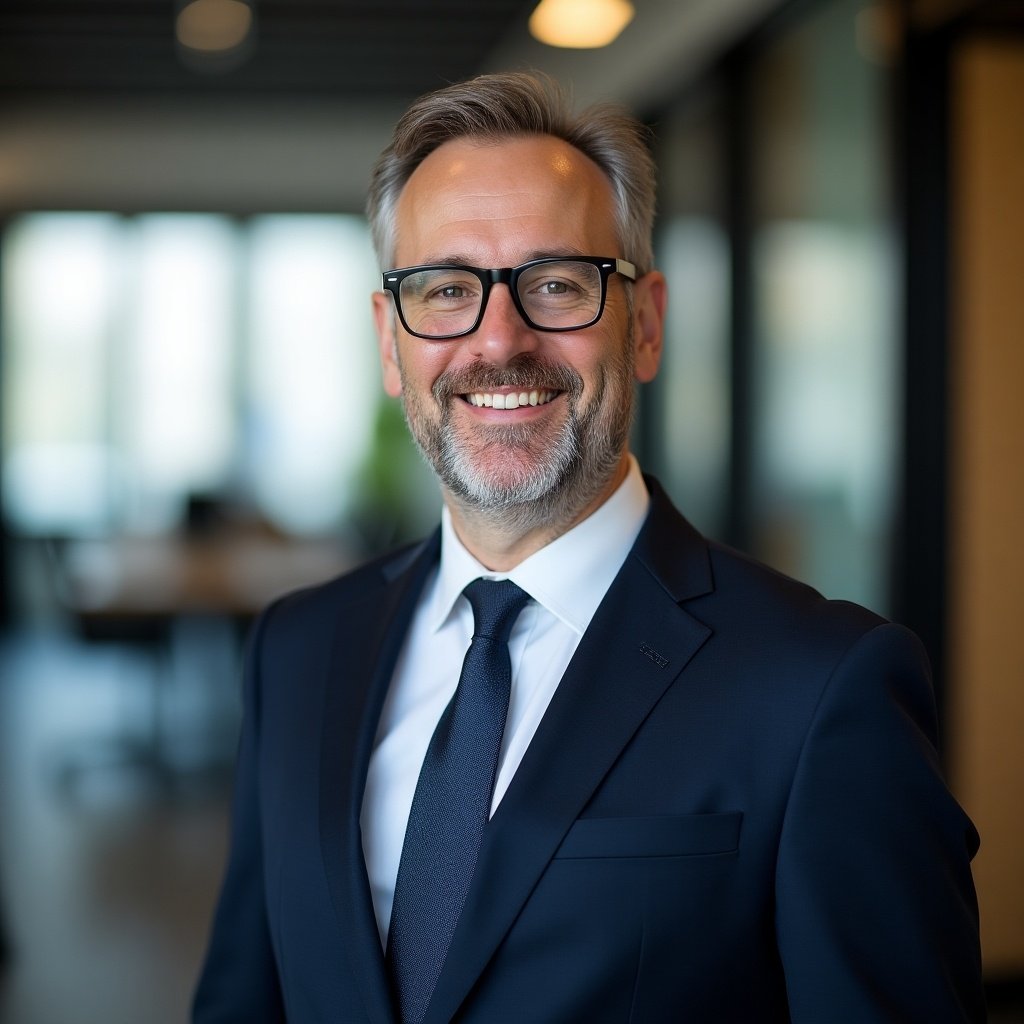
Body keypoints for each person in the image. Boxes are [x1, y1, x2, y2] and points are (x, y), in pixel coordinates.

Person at [192, 71, 984, 1023]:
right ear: (390, 343)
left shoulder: (821, 688)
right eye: (445, 290)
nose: (499, 340)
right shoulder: (298, 649)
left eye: (557, 284)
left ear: (644, 324)